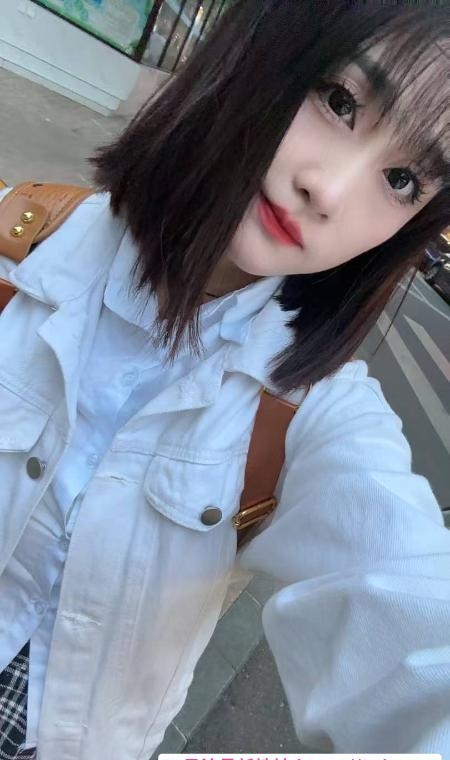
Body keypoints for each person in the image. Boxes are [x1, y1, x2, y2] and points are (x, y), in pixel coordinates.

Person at [0, 1, 449, 758]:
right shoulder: (20, 248)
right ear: (258, 48)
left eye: (402, 180)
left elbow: (413, 627)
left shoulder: (313, 414)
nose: (329, 190)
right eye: (340, 100)